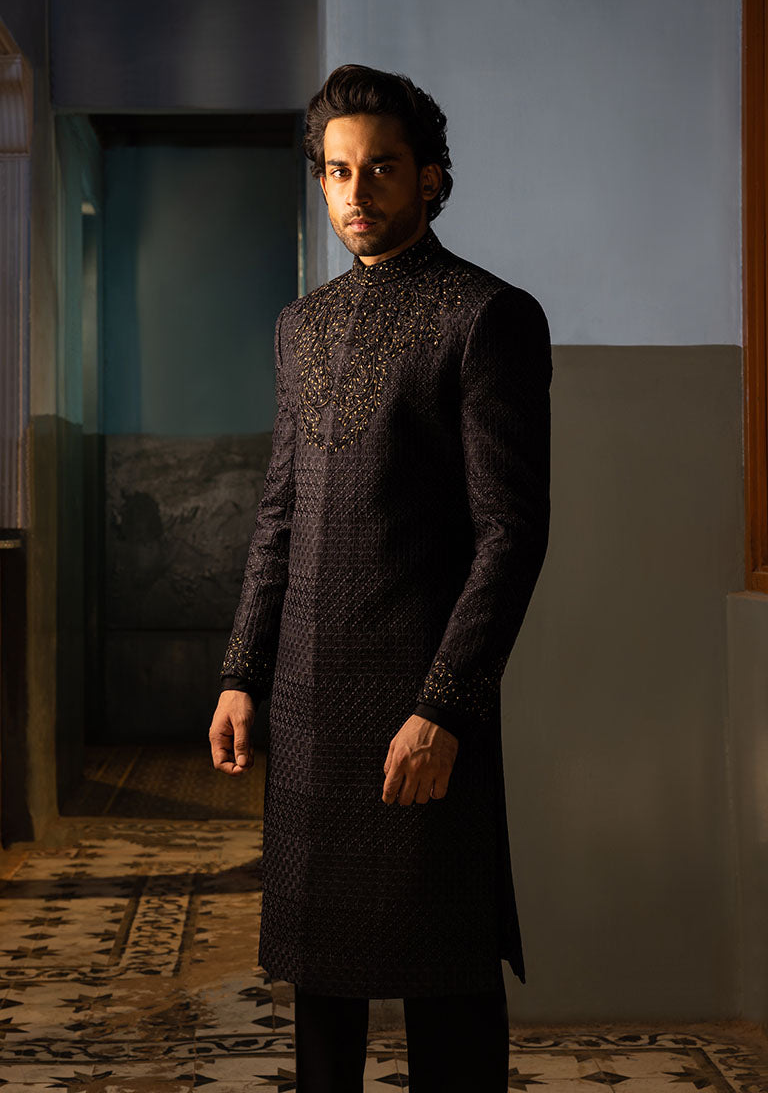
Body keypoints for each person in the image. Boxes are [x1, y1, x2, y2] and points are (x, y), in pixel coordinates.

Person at [208, 63, 552, 1092]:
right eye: (336, 171)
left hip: (419, 706)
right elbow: (279, 514)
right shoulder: (300, 325)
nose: (355, 193)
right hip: (308, 712)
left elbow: (509, 534)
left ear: (430, 178)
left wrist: (443, 707)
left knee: (448, 990)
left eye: (381, 169)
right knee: (323, 1000)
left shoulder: (486, 316)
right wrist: (242, 673)